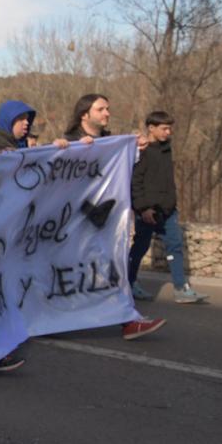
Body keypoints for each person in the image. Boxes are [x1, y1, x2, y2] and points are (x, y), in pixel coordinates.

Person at [64, 94, 166, 340]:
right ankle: (48, 318)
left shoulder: (111, 143)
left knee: (114, 268)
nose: (107, 113)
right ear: (84, 114)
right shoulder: (68, 142)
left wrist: (133, 149)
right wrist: (71, 151)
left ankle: (128, 319)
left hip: (105, 223)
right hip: (73, 225)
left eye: (108, 108)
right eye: (101, 109)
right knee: (69, 273)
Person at [127, 111, 209, 304]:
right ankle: (128, 284)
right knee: (139, 248)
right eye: (164, 128)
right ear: (151, 128)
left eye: (170, 128)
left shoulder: (166, 150)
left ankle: (181, 289)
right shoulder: (141, 151)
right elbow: (135, 183)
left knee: (175, 246)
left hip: (168, 211)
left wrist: (172, 203)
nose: (168, 132)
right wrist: (143, 208)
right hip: (147, 211)